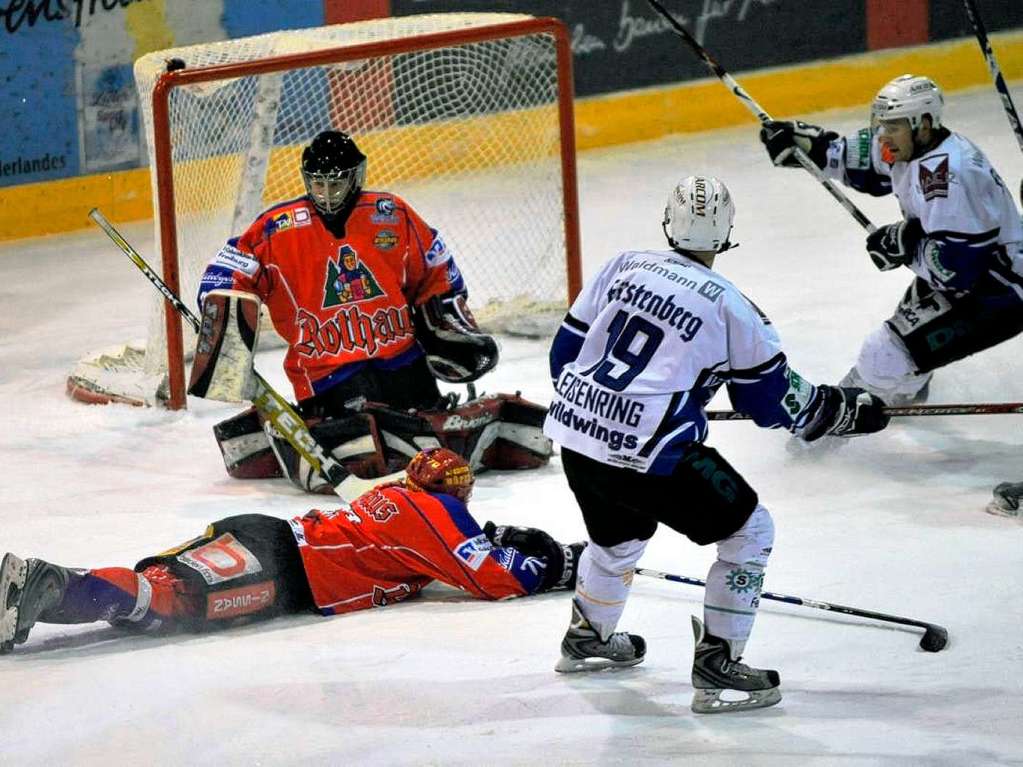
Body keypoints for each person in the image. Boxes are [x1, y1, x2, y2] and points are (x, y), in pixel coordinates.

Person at [542, 176, 890, 713]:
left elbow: (564, 356)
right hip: (649, 453)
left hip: (577, 437)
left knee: (619, 537)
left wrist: (612, 406)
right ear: (727, 233)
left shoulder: (623, 265)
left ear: (667, 221)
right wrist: (844, 411)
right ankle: (719, 665)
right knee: (751, 531)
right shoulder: (734, 308)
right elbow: (772, 402)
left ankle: (589, 637)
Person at [188, 129, 551, 492]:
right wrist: (219, 309)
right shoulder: (278, 227)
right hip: (327, 371)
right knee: (368, 438)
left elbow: (436, 269)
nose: (326, 194)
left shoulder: (390, 213)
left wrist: (446, 322)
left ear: (356, 176)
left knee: (421, 430)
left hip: (401, 358)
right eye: (318, 185)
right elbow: (230, 268)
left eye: (336, 184)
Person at [0, 448, 582, 655]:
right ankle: (47, 582)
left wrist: (488, 537)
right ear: (456, 495)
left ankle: (34, 595)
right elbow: (493, 580)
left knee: (152, 589)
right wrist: (558, 561)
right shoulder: (438, 515)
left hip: (268, 535)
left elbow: (433, 556)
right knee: (169, 602)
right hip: (285, 570)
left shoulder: (398, 496)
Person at [760, 74, 1023, 406]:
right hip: (967, 276)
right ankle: (905, 390)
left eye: (894, 126)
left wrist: (905, 246)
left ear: (923, 124)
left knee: (884, 353)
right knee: (896, 357)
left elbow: (960, 270)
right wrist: (807, 145)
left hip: (999, 292)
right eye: (882, 124)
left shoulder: (950, 178)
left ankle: (826, 431)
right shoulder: (911, 146)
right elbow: (860, 162)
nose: (884, 135)